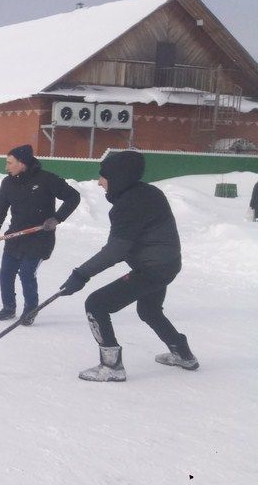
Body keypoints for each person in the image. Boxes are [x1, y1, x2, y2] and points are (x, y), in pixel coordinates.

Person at [59, 150, 197, 382]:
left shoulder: (129, 205)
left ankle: (111, 366)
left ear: (119, 178)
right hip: (167, 264)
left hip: (152, 268)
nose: (100, 182)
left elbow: (115, 250)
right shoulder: (149, 193)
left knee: (96, 304)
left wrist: (81, 274)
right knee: (149, 310)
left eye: (104, 176)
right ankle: (183, 354)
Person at [0, 144, 81, 325]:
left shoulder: (46, 179)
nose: (6, 167)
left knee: (26, 273)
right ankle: (9, 307)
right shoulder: (8, 183)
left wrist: (57, 218)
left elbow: (73, 197)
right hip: (15, 236)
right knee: (6, 273)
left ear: (22, 163)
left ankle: (30, 310)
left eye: (10, 163)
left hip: (40, 237)